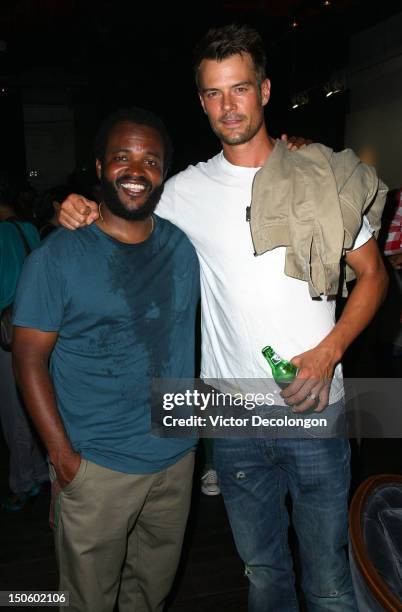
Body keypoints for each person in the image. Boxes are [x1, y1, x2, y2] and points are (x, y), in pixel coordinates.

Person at [58, 25, 388, 612]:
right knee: (262, 574)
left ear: (264, 90)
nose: (228, 105)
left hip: (314, 407)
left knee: (330, 579)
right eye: (213, 93)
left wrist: (328, 351)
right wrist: (81, 205)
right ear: (202, 102)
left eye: (239, 89)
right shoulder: (183, 192)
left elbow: (375, 276)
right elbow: (125, 210)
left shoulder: (316, 175)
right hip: (230, 416)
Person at [12, 108, 200, 612]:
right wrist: (62, 458)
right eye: (122, 157)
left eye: (150, 160)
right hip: (97, 468)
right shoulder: (57, 257)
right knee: (87, 602)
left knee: (150, 596)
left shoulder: (184, 247)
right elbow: (28, 359)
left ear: (164, 173)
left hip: (176, 461)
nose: (136, 170)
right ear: (98, 167)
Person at [0, 174, 49, 512]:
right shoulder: (27, 228)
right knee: (35, 402)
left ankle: (23, 480)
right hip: (39, 327)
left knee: (14, 410)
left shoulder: (2, 234)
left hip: (11, 333)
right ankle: (40, 471)